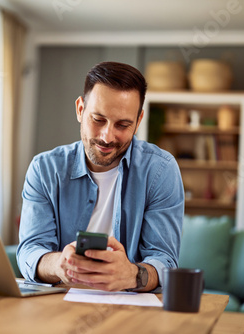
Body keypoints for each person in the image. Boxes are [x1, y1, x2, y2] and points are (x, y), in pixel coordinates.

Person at [17, 61, 184, 292]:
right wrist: (58, 265)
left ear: (138, 122)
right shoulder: (44, 170)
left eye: (123, 125)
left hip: (130, 309)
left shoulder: (160, 171)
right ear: (80, 109)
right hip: (60, 303)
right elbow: (30, 249)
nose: (107, 137)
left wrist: (133, 275)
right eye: (98, 120)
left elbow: (165, 261)